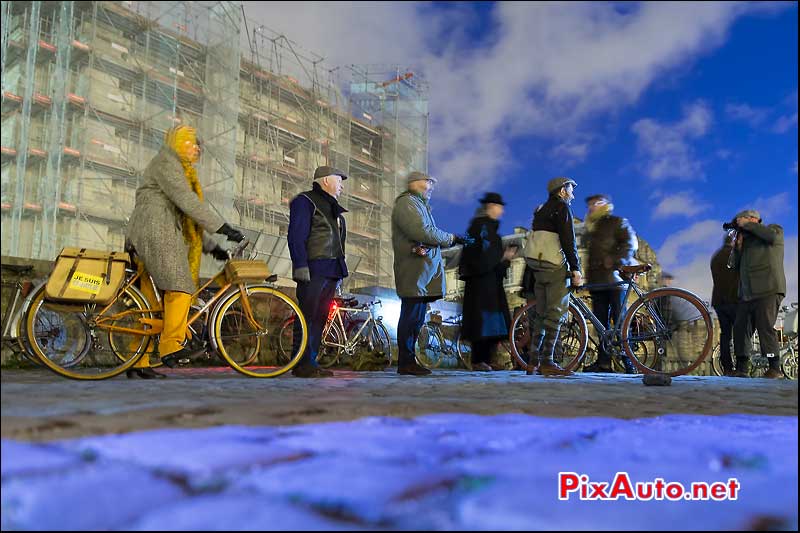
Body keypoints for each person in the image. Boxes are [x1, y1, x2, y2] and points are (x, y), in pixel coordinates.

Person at [126, 125, 244, 377]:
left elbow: (187, 220)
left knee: (150, 305)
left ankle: (139, 362)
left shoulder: (179, 169)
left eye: (198, 145)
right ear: (178, 142)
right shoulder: (167, 162)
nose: (197, 149)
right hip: (155, 229)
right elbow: (186, 202)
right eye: (192, 143)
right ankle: (171, 346)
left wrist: (213, 248)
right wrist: (222, 227)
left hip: (151, 230)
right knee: (180, 287)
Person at [391, 171, 471, 376]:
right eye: (429, 183)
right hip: (414, 271)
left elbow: (425, 235)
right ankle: (405, 361)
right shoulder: (408, 204)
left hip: (421, 272)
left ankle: (408, 360)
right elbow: (422, 231)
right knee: (411, 316)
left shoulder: (417, 205)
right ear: (416, 183)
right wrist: (452, 238)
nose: (431, 188)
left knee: (416, 318)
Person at [287, 166, 349, 378]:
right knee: (307, 315)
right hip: (314, 267)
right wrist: (300, 264)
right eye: (339, 180)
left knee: (321, 317)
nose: (342, 185)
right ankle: (300, 362)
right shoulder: (305, 201)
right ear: (325, 181)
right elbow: (296, 235)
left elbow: (338, 243)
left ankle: (310, 361)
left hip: (331, 269)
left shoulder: (333, 208)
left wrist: (339, 272)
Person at [523, 176, 582, 376]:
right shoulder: (562, 208)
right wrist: (576, 268)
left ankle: (532, 363)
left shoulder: (540, 210)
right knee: (555, 314)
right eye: (570, 189)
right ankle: (548, 361)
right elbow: (568, 241)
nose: (572, 193)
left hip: (538, 268)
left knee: (540, 313)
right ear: (562, 191)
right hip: (555, 266)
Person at [581, 194, 638, 374]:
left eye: (595, 204)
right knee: (601, 326)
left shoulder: (617, 221)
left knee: (621, 322)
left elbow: (630, 244)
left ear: (604, 204)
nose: (591, 207)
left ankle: (629, 362)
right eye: (590, 204)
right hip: (597, 281)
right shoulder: (591, 227)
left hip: (615, 279)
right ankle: (604, 363)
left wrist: (614, 260)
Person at [459, 192, 515, 371]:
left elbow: (488, 257)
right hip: (481, 284)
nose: (502, 211)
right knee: (482, 322)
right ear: (491, 207)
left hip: (489, 283)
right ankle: (478, 360)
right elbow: (481, 255)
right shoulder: (481, 227)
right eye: (499, 207)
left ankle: (488, 359)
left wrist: (504, 259)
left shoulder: (488, 229)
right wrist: (502, 257)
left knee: (493, 323)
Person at [728, 209, 786, 379]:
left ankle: (774, 367)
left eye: (743, 221)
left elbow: (771, 237)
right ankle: (741, 367)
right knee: (740, 328)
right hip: (748, 293)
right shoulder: (746, 242)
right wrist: (737, 248)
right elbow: (733, 265)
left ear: (754, 219)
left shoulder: (773, 230)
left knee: (764, 328)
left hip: (768, 289)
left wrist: (747, 224)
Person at [710, 232, 740, 377]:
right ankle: (741, 366)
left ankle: (727, 367)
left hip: (718, 300)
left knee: (725, 334)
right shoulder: (735, 255)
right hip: (734, 300)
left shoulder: (715, 257)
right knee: (740, 333)